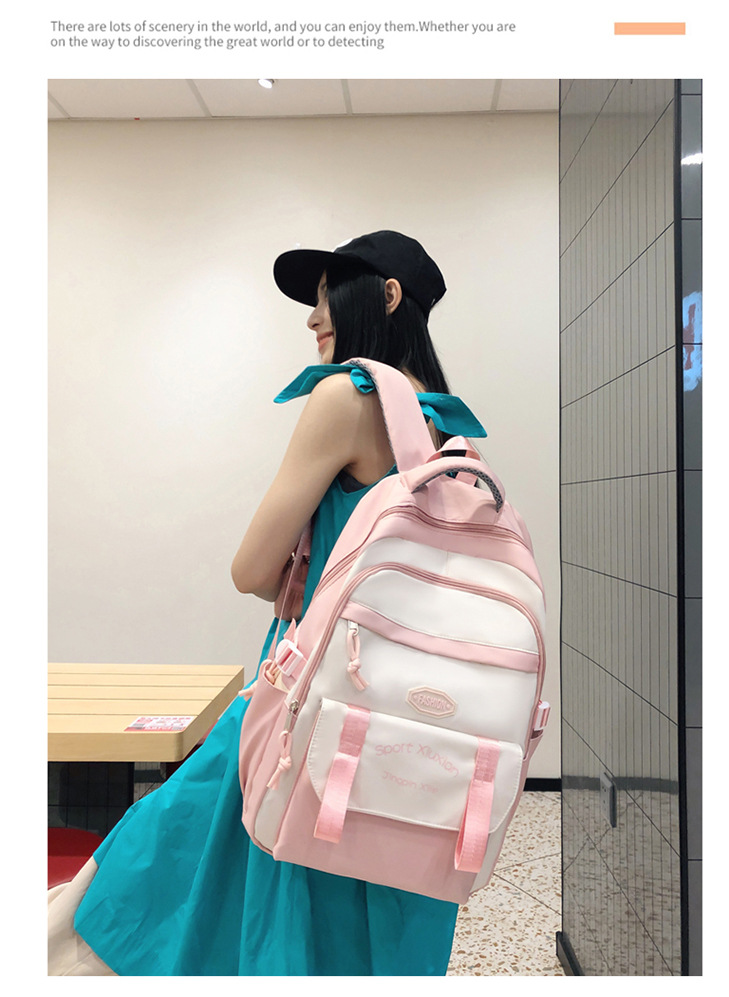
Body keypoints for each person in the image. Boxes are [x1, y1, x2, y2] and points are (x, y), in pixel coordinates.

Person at [48, 230, 488, 976]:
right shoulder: (454, 433)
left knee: (168, 880)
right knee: (359, 925)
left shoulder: (347, 397)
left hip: (307, 711)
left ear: (385, 296)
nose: (313, 319)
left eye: (327, 299)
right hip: (409, 737)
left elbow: (250, 570)